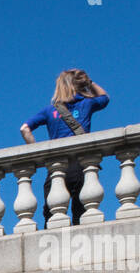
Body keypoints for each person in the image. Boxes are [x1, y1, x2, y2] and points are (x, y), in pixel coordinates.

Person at [20, 69, 110, 224]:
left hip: (56, 167)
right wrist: (89, 83)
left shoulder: (50, 110)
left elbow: (25, 129)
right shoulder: (87, 104)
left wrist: (37, 153)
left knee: (52, 216)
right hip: (81, 165)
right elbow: (105, 98)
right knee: (81, 214)